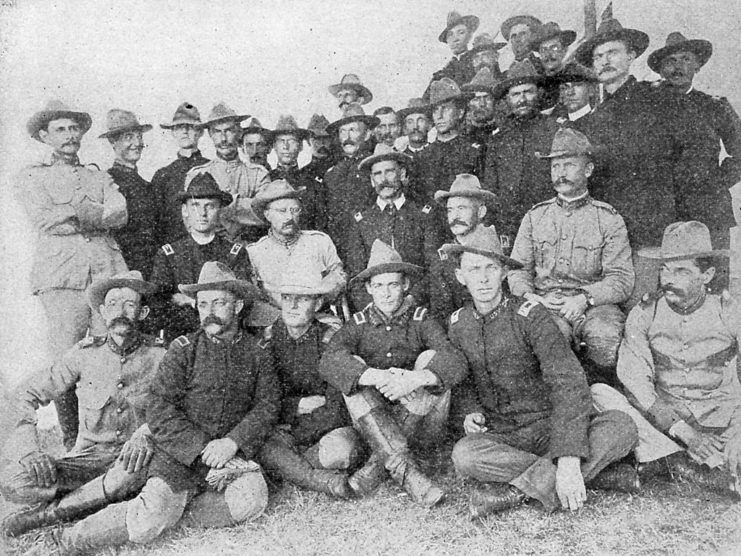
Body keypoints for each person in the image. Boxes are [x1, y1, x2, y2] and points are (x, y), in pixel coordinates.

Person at [37, 262, 281, 554]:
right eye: (203, 304)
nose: (210, 311)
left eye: (219, 302)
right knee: (145, 525)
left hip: (231, 458)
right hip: (178, 457)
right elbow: (160, 408)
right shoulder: (182, 350)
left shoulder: (257, 353)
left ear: (238, 305)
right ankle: (68, 539)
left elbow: (267, 405)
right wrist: (203, 449)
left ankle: (179, 515)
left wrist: (232, 442)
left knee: (251, 502)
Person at [442, 227, 638, 519]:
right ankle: (598, 477)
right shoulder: (458, 324)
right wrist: (470, 411)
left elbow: (569, 382)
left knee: (622, 426)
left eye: (490, 268)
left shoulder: (531, 316)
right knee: (464, 455)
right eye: (473, 269)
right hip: (504, 434)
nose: (482, 278)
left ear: (505, 273)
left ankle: (516, 492)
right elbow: (465, 380)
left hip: (550, 427)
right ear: (461, 277)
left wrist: (569, 458)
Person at [0, 272, 164, 537]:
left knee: (131, 473)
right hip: (87, 463)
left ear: (143, 313)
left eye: (130, 305)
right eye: (112, 304)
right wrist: (29, 450)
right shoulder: (84, 355)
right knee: (13, 481)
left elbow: (179, 409)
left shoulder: (161, 357)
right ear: (101, 312)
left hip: (135, 462)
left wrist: (146, 432)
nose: (120, 312)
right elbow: (24, 395)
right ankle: (96, 500)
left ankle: (46, 515)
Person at [573, 18, 719, 306]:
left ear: (631, 55)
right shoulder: (595, 118)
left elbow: (698, 151)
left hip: (653, 234)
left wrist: (676, 209)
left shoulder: (660, 99)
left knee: (649, 311)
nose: (605, 61)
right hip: (612, 239)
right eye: (598, 56)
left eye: (612, 52)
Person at [591, 221, 741, 499]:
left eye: (681, 271)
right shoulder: (645, 312)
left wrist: (739, 433)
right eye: (664, 269)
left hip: (722, 421)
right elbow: (634, 380)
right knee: (599, 393)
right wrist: (684, 432)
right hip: (666, 425)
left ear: (706, 275)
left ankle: (669, 462)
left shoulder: (730, 311)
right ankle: (679, 461)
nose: (667, 279)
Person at [319, 240, 468, 506]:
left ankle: (379, 464)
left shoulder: (421, 319)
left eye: (392, 284)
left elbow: (454, 359)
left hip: (422, 423)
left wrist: (413, 379)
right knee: (350, 366)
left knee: (430, 359)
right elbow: (329, 360)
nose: (386, 294)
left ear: (405, 285)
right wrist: (374, 376)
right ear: (368, 289)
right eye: (378, 286)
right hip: (374, 419)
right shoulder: (358, 324)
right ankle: (408, 473)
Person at [17, 100, 129, 450]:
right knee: (66, 358)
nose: (69, 135)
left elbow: (120, 214)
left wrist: (71, 213)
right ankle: (70, 440)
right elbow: (42, 218)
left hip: (105, 274)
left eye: (73, 129)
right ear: (44, 136)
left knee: (110, 353)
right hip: (62, 278)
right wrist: (92, 214)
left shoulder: (99, 175)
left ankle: (104, 438)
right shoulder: (33, 176)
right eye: (60, 129)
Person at [508, 128, 634, 385]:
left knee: (605, 336)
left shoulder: (608, 219)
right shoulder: (535, 217)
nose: (560, 173)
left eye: (568, 165)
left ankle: (604, 396)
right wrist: (530, 296)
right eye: (555, 166)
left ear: (588, 170)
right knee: (549, 335)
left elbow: (621, 280)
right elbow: (517, 270)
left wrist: (584, 298)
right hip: (546, 303)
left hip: (595, 307)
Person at [258, 271, 362, 499]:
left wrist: (295, 432)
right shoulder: (267, 340)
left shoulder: (330, 340)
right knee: (262, 443)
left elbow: (335, 410)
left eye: (303, 299)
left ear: (317, 304)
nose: (292, 306)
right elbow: (263, 401)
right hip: (285, 430)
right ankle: (319, 479)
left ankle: (289, 469)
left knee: (340, 452)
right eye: (287, 298)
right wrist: (295, 405)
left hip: (323, 429)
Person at [647, 32, 740, 248]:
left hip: (709, 210)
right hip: (663, 211)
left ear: (697, 66)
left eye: (686, 59)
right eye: (670, 61)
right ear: (661, 70)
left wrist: (717, 182)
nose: (678, 67)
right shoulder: (647, 107)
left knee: (711, 272)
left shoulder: (716, 106)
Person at [149, 172, 252, 342]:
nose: (202, 213)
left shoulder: (234, 253)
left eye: (210, 206)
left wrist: (190, 301)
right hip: (180, 337)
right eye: (195, 205)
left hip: (224, 337)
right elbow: (159, 304)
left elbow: (245, 301)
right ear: (185, 210)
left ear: (220, 210)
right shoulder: (169, 254)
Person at [344, 144, 443, 310]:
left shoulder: (423, 215)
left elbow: (434, 268)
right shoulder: (361, 221)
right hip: (374, 308)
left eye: (389, 171)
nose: (383, 180)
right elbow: (356, 275)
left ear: (402, 174)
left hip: (417, 305)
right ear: (371, 180)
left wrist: (413, 299)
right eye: (377, 174)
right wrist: (371, 307)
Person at [483, 60, 559, 251]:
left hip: (549, 224)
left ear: (539, 93)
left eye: (528, 92)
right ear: (508, 99)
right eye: (516, 94)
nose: (522, 99)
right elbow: (491, 189)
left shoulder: (555, 130)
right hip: (509, 227)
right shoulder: (498, 139)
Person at [248, 179, 346, 307]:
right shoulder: (255, 252)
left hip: (317, 316)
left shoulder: (319, 242)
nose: (289, 217)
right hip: (275, 320)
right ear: (267, 215)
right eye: (282, 211)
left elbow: (339, 277)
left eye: (295, 210)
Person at [186, 103, 270, 243]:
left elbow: (264, 214)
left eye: (229, 130)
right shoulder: (196, 175)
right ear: (210, 135)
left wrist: (217, 209)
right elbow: (191, 218)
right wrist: (245, 205)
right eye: (218, 132)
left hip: (248, 248)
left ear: (239, 133)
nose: (223, 139)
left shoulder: (258, 174)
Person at [429, 173, 498, 323]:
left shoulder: (498, 248)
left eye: (462, 208)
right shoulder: (442, 258)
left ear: (481, 212)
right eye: (450, 210)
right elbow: (441, 313)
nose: (455, 217)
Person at [101, 109, 160, 278]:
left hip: (151, 267)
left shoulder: (146, 185)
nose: (137, 143)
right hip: (122, 268)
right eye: (129, 137)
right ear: (113, 142)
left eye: (139, 136)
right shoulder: (107, 181)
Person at [323, 103, 379, 258]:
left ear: (367, 134)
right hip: (340, 247)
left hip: (371, 244)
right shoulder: (332, 174)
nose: (347, 138)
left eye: (353, 130)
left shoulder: (376, 168)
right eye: (343, 131)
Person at [416, 78, 483, 203]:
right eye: (435, 110)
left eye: (445, 108)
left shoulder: (476, 152)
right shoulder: (422, 156)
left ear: (460, 112)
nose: (439, 116)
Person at [151, 102, 209, 243]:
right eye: (179, 127)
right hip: (175, 249)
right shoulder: (163, 175)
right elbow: (156, 222)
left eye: (190, 127)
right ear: (173, 133)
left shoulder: (211, 168)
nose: (184, 131)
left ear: (200, 132)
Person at [267, 115, 325, 231]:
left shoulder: (312, 182)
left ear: (301, 147)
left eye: (292, 141)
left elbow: (320, 222)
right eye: (281, 141)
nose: (286, 147)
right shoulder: (266, 179)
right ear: (274, 146)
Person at [422, 11, 479, 100]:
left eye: (461, 32)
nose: (455, 39)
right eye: (450, 35)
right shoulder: (441, 74)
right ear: (447, 41)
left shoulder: (478, 62)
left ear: (470, 35)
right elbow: (425, 101)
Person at [528, 22, 578, 111]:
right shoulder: (538, 84)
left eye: (554, 48)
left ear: (564, 50)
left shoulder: (575, 78)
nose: (548, 54)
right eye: (543, 50)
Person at [462, 68, 500, 150]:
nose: (482, 104)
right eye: (476, 99)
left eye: (487, 98)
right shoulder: (462, 135)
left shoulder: (504, 131)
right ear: (469, 103)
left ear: (495, 101)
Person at [301, 113, 336, 185]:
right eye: (317, 138)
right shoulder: (303, 174)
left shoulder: (341, 168)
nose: (322, 143)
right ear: (308, 141)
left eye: (326, 138)